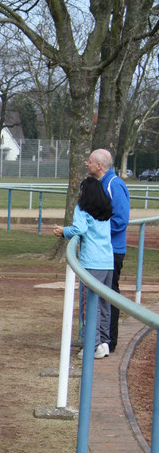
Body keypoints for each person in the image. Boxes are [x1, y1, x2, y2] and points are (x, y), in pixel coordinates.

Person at [53, 176, 113, 359]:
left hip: (92, 264)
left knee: (89, 305)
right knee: (104, 304)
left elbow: (79, 229)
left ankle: (92, 346)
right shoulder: (105, 208)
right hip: (107, 262)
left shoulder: (82, 208)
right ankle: (103, 342)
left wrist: (64, 231)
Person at [85, 148, 130, 352]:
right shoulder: (100, 184)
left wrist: (96, 232)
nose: (86, 164)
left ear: (99, 166)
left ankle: (108, 341)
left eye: (90, 161)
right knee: (101, 296)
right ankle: (98, 339)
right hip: (102, 250)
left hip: (112, 251)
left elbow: (120, 219)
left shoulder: (114, 185)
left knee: (109, 295)